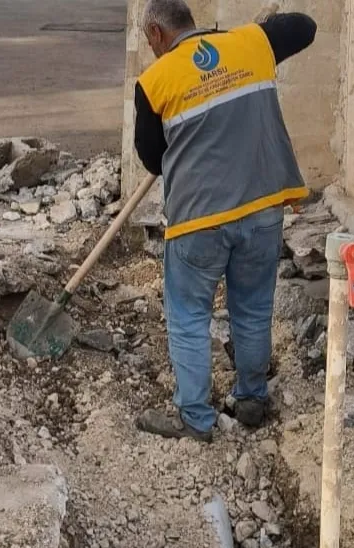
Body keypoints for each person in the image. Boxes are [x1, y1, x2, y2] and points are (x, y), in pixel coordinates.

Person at [133, 0, 317, 442]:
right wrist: (253, 35)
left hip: (198, 222)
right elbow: (306, 27)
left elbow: (152, 158)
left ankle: (195, 417)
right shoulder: (251, 44)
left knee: (189, 315)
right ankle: (252, 398)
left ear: (158, 34)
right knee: (252, 308)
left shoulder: (154, 82)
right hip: (262, 210)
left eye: (149, 43)